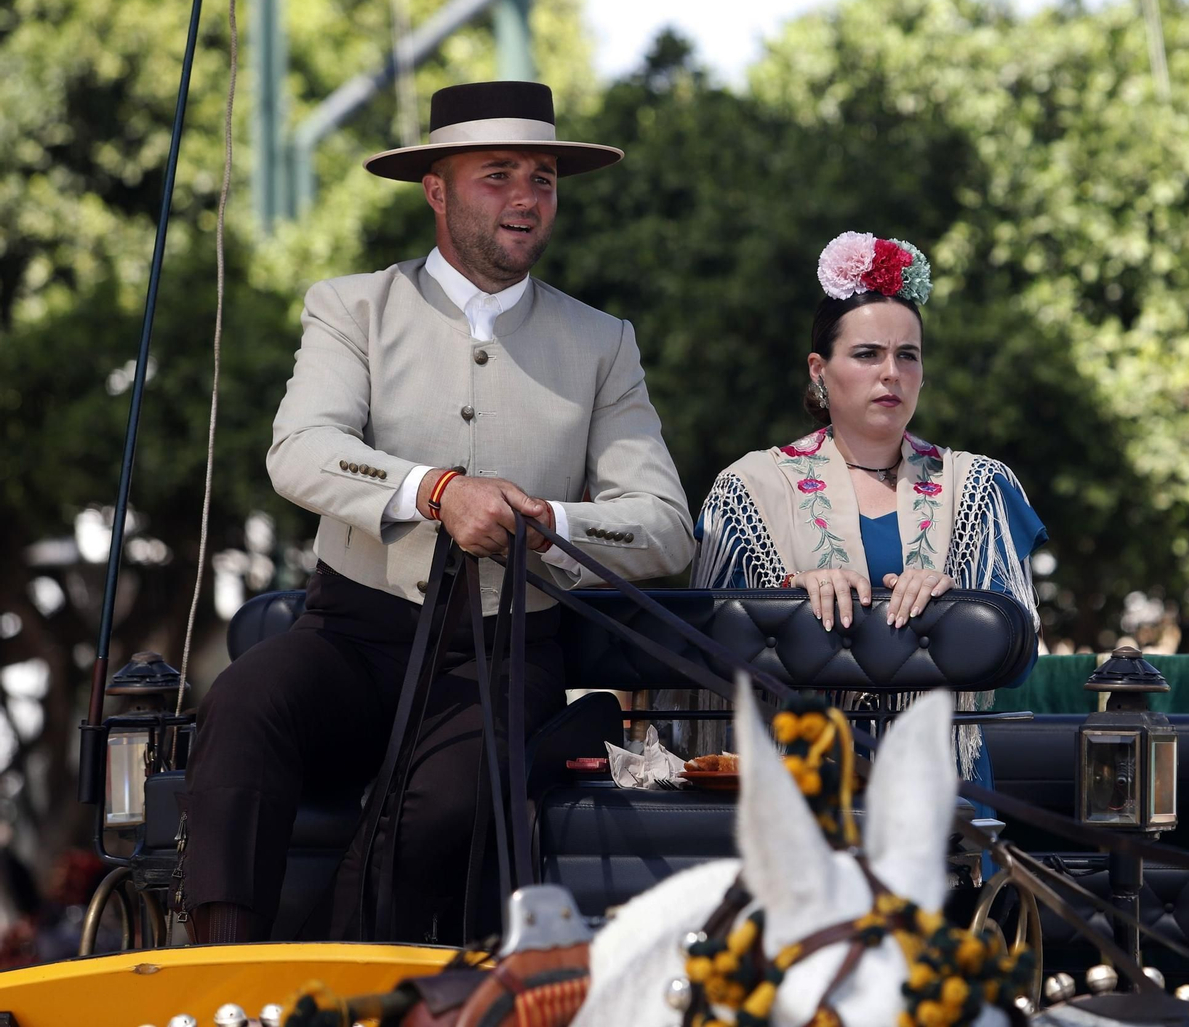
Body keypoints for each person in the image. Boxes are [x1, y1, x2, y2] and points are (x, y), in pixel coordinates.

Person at [178, 81, 695, 944]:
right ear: (437, 189)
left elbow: (665, 524)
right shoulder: (351, 307)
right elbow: (298, 447)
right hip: (351, 635)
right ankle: (223, 976)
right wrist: (437, 491)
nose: (528, 198)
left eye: (544, 178)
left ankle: (346, 993)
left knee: (451, 804)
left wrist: (553, 525)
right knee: (242, 703)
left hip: (504, 654)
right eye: (498, 175)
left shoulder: (603, 342)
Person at [692, 231, 1047, 781]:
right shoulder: (751, 488)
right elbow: (707, 658)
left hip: (942, 790)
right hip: (801, 790)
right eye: (867, 354)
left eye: (908, 355)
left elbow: (1019, 659)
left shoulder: (978, 484)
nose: (891, 373)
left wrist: (958, 608)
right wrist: (787, 602)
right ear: (818, 369)